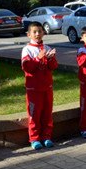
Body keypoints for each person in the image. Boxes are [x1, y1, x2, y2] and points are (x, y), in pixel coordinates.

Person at [21, 21, 58, 150]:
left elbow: (53, 67)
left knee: (47, 114)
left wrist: (51, 58)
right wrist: (37, 58)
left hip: (47, 87)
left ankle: (46, 136)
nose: (37, 34)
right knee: (34, 115)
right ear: (29, 34)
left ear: (43, 33)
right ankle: (34, 138)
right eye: (34, 32)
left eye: (40, 31)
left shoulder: (47, 47)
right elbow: (27, 67)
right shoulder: (27, 49)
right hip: (33, 89)